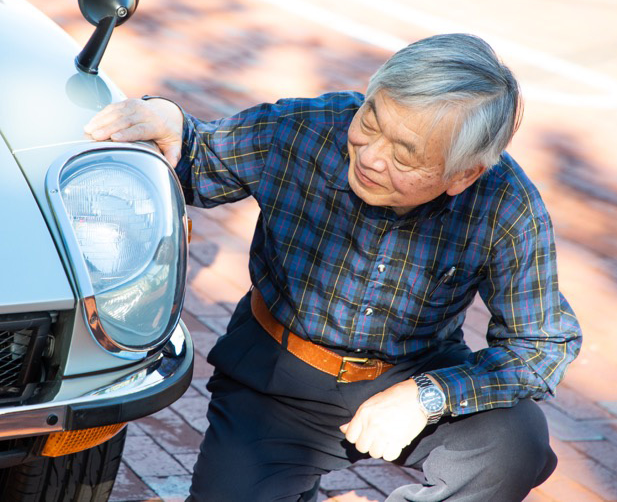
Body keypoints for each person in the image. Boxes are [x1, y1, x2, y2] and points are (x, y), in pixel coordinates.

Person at [84, 33, 582, 502]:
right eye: (371, 121)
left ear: (463, 173)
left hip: (409, 374)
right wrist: (168, 121)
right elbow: (200, 156)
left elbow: (541, 345)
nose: (371, 156)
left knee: (516, 439)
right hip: (278, 379)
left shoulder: (504, 205)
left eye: (405, 155)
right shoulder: (305, 129)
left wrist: (428, 396)